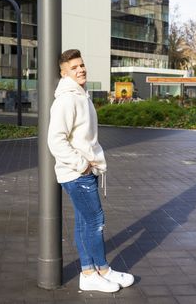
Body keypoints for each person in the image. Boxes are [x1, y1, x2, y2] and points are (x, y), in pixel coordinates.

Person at [47, 49, 134, 293]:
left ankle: (89, 272)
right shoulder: (67, 99)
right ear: (64, 73)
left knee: (85, 223)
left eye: (82, 65)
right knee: (95, 222)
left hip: (85, 172)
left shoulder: (80, 95)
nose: (81, 69)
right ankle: (101, 270)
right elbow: (55, 140)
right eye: (74, 67)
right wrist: (82, 164)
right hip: (77, 174)